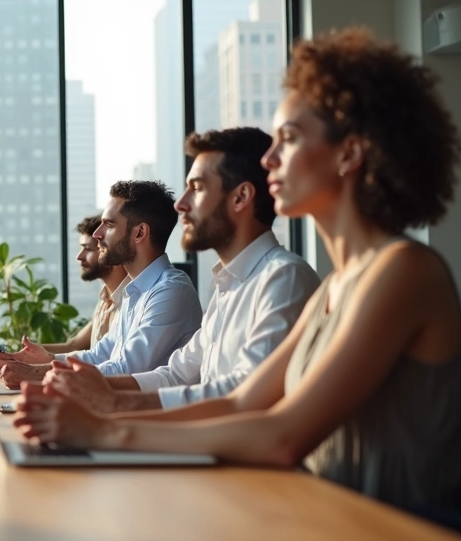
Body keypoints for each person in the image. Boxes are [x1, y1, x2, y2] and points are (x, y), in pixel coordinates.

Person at [14, 28, 461, 509]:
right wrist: (106, 410)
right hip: (324, 518)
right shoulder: (337, 285)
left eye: (288, 139)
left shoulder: (402, 270)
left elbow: (282, 434)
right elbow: (242, 402)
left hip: (386, 536)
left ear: (349, 154)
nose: (270, 159)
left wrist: (105, 430)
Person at [50, 128, 320, 412]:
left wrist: (112, 403)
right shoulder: (229, 285)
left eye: (197, 188)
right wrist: (86, 386)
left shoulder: (283, 278)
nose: (181, 204)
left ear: (240, 197)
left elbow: (243, 396)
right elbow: (176, 375)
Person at [0, 180, 202, 385]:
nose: (97, 234)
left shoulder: (171, 291)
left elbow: (126, 368)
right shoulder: (134, 291)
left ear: (139, 233)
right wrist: (46, 360)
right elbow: (99, 355)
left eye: (109, 225)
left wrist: (37, 373)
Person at [37, 214, 130, 354]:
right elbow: (73, 346)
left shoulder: (131, 302)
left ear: (108, 250)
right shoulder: (105, 301)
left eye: (88, 249)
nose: (79, 256)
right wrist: (18, 352)